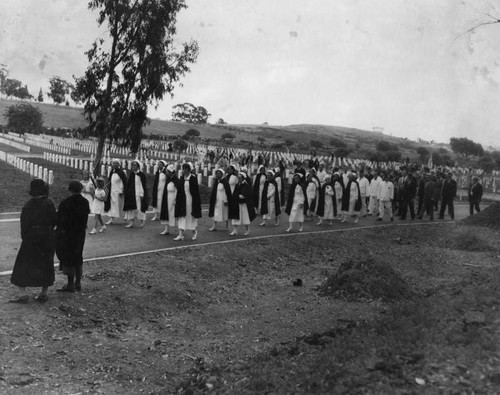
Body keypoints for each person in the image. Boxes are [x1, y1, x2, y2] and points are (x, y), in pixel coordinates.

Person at [10, 179, 57, 303]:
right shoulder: (49, 203)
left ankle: (23, 293)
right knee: (46, 263)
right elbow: (54, 221)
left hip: (32, 235)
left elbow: (24, 224)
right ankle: (44, 293)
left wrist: (26, 237)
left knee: (23, 263)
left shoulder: (28, 205)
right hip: (47, 235)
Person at [56, 181, 90, 292]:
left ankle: (70, 284)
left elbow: (61, 220)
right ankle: (78, 282)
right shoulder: (85, 202)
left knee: (68, 258)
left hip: (68, 234)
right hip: (80, 233)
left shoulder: (66, 202)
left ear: (69, 189)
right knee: (78, 256)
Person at [174, 162, 202, 240]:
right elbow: (180, 189)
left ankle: (194, 232)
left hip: (190, 201)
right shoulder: (182, 178)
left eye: (185, 169)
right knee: (182, 217)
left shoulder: (193, 178)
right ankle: (180, 234)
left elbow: (195, 192)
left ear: (189, 170)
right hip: (182, 200)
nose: (183, 170)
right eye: (183, 169)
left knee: (190, 216)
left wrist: (195, 202)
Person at [123, 160, 148, 228]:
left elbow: (142, 185)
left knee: (140, 208)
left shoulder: (141, 175)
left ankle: (142, 221)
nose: (133, 166)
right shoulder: (132, 174)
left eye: (135, 165)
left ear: (138, 166)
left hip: (139, 194)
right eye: (132, 165)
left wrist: (142, 194)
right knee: (131, 209)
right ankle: (131, 222)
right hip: (132, 194)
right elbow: (129, 184)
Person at [104, 159, 127, 225]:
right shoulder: (112, 171)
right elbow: (110, 181)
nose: (115, 165)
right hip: (112, 191)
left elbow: (123, 182)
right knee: (112, 205)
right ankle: (112, 219)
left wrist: (122, 190)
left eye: (116, 163)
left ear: (119, 164)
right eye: (114, 163)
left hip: (119, 191)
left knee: (120, 205)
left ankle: (125, 216)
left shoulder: (121, 172)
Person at [159, 164, 179, 235]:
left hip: (173, 198)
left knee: (173, 214)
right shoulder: (168, 179)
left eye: (167, 171)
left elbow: (177, 190)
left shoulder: (176, 179)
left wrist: (175, 200)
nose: (166, 172)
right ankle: (166, 229)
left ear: (170, 172)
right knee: (166, 213)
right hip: (167, 197)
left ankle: (181, 230)